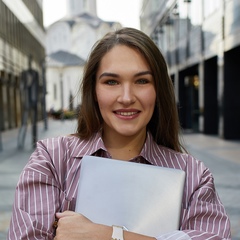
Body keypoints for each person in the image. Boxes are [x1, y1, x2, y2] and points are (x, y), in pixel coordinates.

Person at [8, 27, 231, 240]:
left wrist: (107, 234)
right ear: (94, 90)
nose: (126, 97)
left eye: (142, 81)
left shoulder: (193, 176)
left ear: (158, 90)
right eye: (112, 82)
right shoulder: (52, 160)